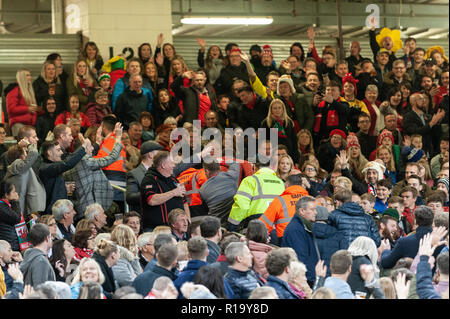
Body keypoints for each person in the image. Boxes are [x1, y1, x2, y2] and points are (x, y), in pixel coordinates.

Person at [227, 157, 285, 232]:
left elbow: (241, 205)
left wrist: (232, 226)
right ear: (270, 167)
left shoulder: (250, 180)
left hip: (256, 221)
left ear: (254, 167)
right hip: (276, 222)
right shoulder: (280, 182)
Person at [140, 151, 190, 232]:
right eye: (171, 163)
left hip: (177, 229)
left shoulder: (174, 179)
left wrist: (188, 220)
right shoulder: (149, 179)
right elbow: (151, 200)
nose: (174, 165)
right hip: (156, 229)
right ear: (163, 165)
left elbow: (184, 202)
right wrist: (173, 193)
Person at [379, 206, 437, 270]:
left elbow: (386, 263)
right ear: (432, 221)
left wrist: (385, 251)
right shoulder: (441, 242)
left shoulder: (404, 242)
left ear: (415, 221)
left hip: (410, 278)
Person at [39, 139, 87, 215]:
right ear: (49, 152)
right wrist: (84, 147)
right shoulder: (45, 168)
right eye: (58, 150)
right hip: (52, 214)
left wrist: (64, 188)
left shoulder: (52, 165)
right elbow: (67, 164)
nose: (61, 152)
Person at [259, 174, 309, 245]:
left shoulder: (280, 201)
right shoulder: (311, 199)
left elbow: (264, 223)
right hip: (307, 237)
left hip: (286, 239)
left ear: (286, 184)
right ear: (301, 185)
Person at [281, 196, 320, 287]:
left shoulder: (304, 227)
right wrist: (309, 279)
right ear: (302, 211)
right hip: (302, 282)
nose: (316, 213)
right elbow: (301, 258)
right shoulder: (295, 230)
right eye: (312, 209)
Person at [5, 139, 46, 219]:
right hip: (28, 212)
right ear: (22, 156)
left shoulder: (19, 168)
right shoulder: (18, 164)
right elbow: (34, 153)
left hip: (26, 210)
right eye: (26, 152)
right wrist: (28, 145)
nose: (27, 155)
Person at [199, 159, 240, 225]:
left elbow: (205, 209)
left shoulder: (202, 190)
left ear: (206, 171)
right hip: (235, 220)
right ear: (220, 167)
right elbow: (234, 163)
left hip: (216, 224)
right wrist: (221, 161)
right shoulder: (231, 175)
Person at [261, 98, 300, 164]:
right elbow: (262, 141)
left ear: (283, 109)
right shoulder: (266, 122)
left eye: (279, 108)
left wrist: (296, 158)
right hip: (272, 154)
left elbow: (294, 140)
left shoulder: (289, 122)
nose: (277, 110)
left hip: (288, 152)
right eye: (275, 108)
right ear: (271, 110)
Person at [6, 68, 40, 137]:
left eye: (30, 75)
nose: (30, 77)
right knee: (22, 146)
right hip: (19, 124)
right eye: (27, 75)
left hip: (29, 125)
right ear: (22, 78)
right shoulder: (13, 93)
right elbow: (11, 109)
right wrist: (28, 109)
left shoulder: (29, 92)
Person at [19, 224, 56, 288]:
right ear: (47, 238)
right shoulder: (40, 261)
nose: (52, 239)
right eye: (50, 236)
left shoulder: (30, 256)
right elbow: (40, 291)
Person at [0, 181, 22, 252]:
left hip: (12, 242)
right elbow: (17, 218)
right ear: (6, 195)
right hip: (9, 245)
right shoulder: (1, 207)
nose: (16, 194)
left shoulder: (7, 205)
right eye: (13, 192)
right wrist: (15, 201)